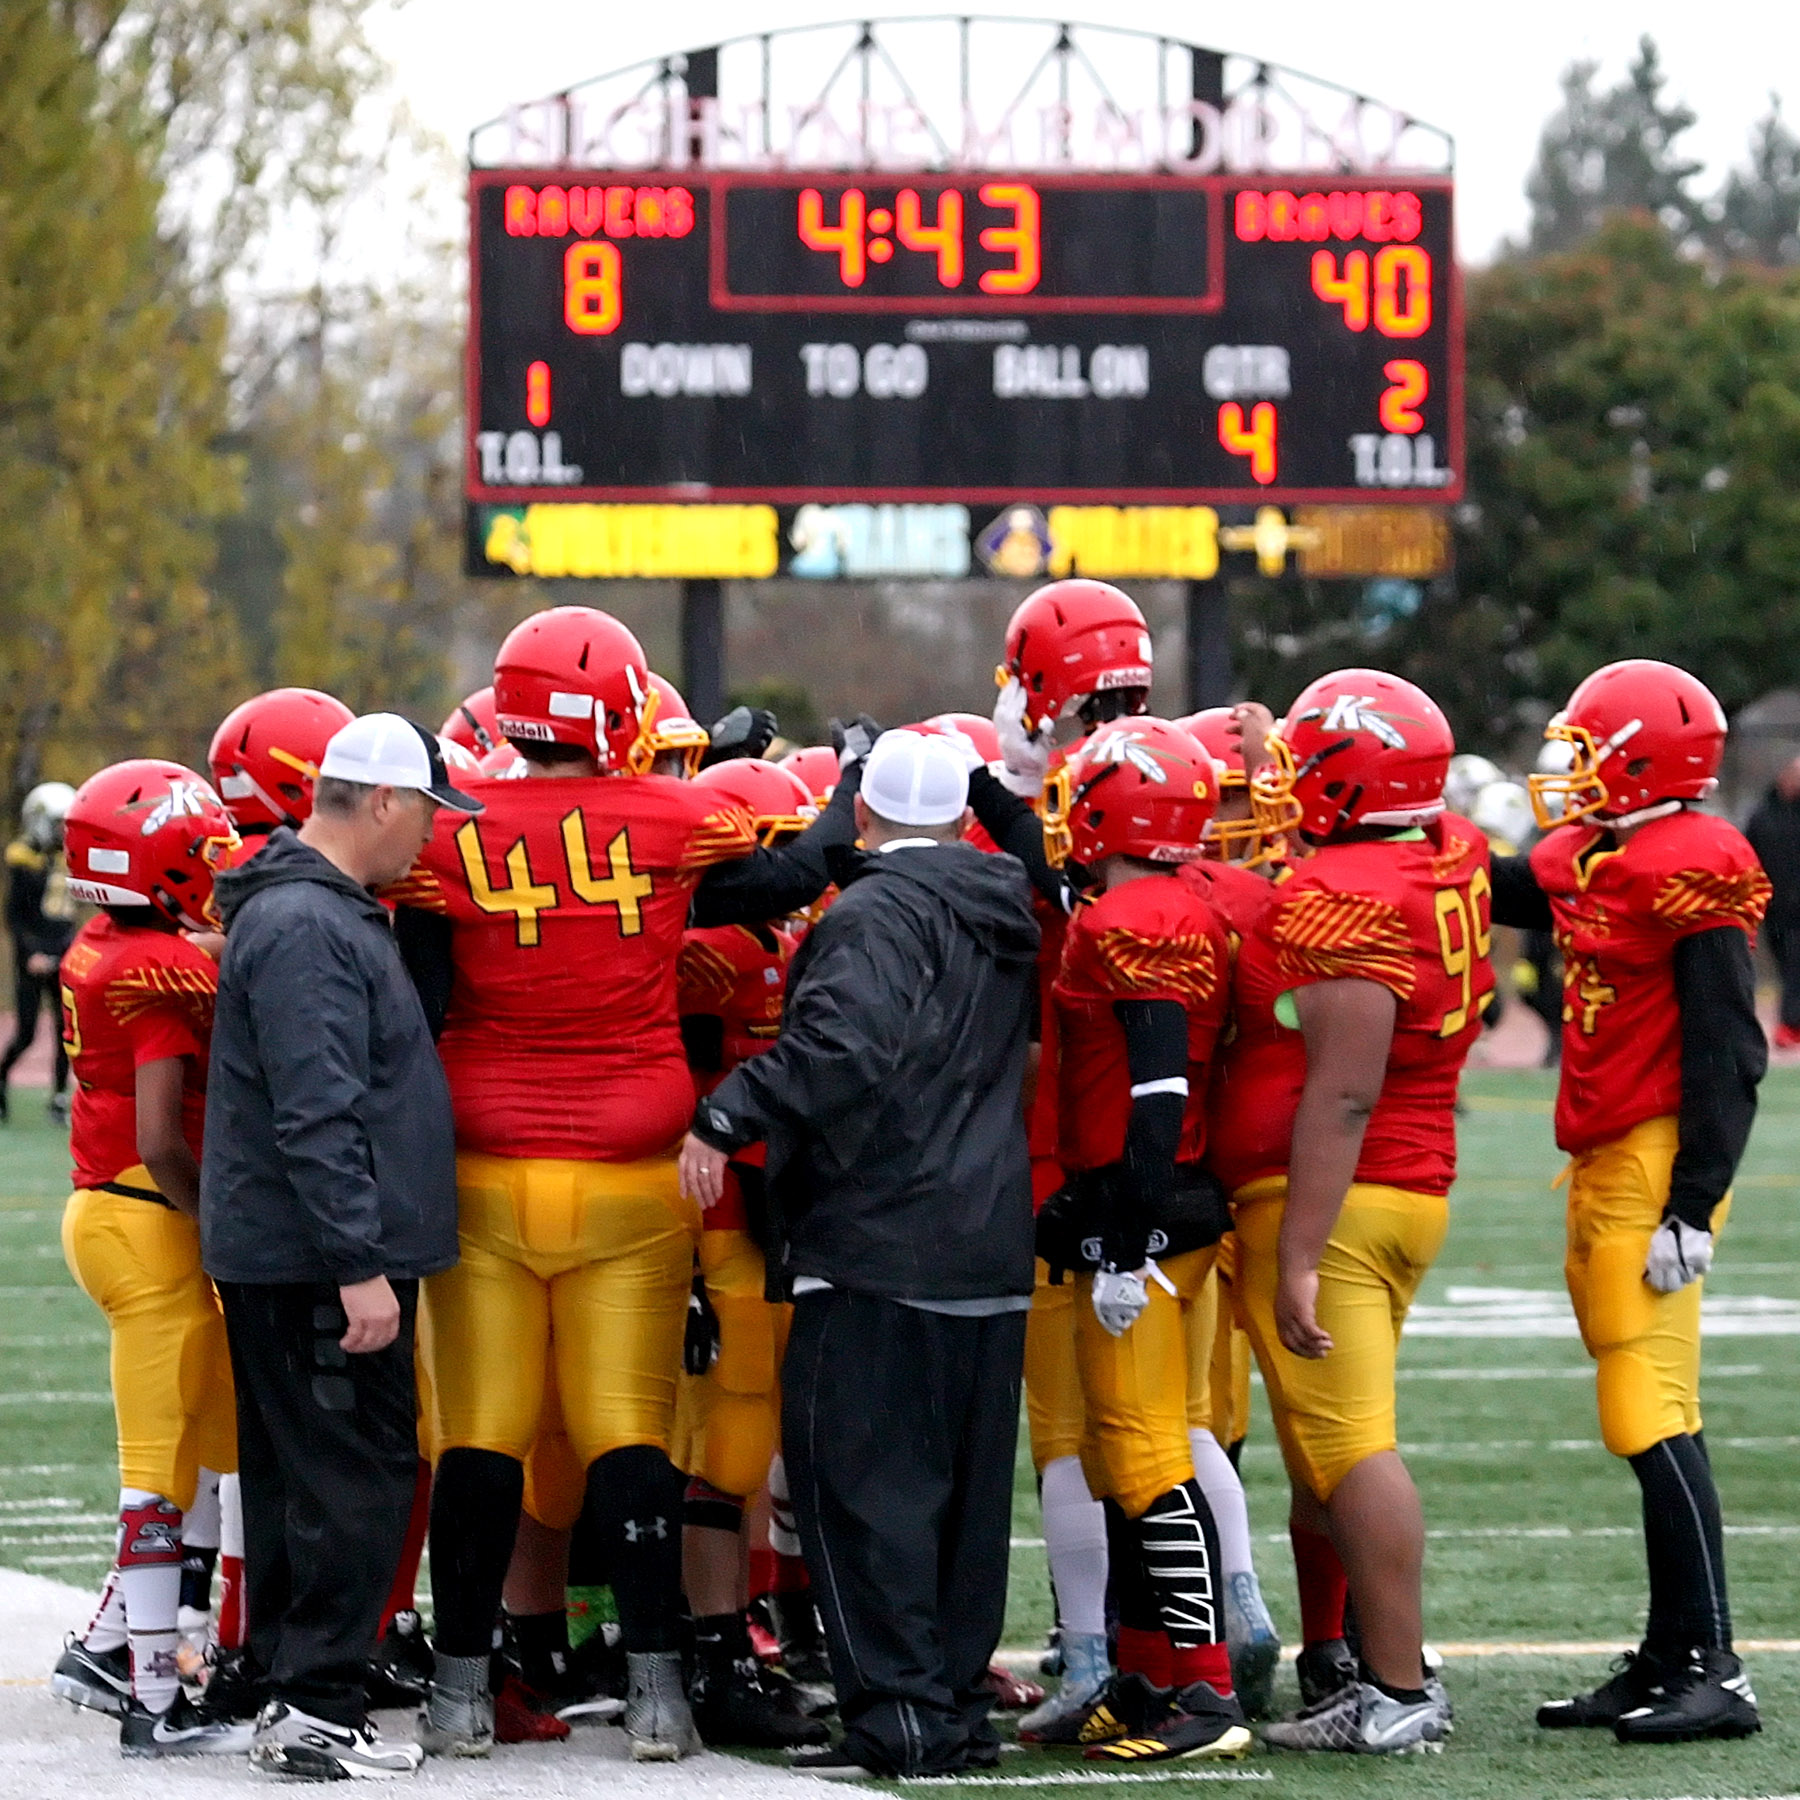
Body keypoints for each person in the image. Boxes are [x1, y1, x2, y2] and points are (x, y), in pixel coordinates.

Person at [390, 607, 857, 1762]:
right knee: (629, 1435)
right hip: (632, 1172)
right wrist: (854, 776)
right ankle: (657, 1695)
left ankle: (460, 1691)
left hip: (485, 1171)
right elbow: (799, 859)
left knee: (484, 1437)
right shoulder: (669, 812)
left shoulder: (446, 830)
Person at [679, 729, 1040, 1778]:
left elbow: (844, 1052)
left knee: (867, 1490)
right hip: (983, 1237)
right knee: (962, 1510)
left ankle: (906, 1709)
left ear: (866, 816)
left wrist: (729, 1110)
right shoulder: (1001, 902)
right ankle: (950, 1704)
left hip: (885, 1237)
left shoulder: (876, 912)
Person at [1214, 670, 1488, 1755]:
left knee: (1352, 1449)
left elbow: (1341, 1091)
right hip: (1409, 1183)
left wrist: (1300, 1256)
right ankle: (1364, 1665)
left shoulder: (1344, 900)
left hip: (1346, 1195)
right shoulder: (1447, 846)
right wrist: (1283, 744)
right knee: (1326, 1447)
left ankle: (1399, 1687)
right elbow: (1366, 795)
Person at [201, 713, 479, 1781]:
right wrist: (358, 1262)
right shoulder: (310, 927)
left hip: (294, 1249)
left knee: (296, 1479)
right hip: (318, 1257)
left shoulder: (307, 912)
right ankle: (314, 1702)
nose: (427, 840)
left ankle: (289, 1687)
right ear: (381, 803)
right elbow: (317, 1110)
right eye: (424, 816)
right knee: (351, 1480)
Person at [1501, 661, 1768, 1743]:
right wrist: (1408, 828)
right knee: (1646, 1409)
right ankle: (1669, 1654)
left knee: (1646, 1413)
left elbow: (1730, 1051)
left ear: (1643, 758)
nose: (1568, 768)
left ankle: (1715, 1667)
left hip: (1656, 1165)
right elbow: (1515, 883)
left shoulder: (1693, 864)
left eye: (1587, 747)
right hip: (1607, 1158)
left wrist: (1694, 1205)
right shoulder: (1608, 851)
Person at [1036, 718, 1251, 1765]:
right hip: (1140, 1202)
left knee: (1145, 1445)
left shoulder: (1139, 917)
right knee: (1127, 1447)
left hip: (1151, 1212)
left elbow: (1158, 1087)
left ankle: (1204, 1689)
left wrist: (1126, 1238)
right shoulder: (1160, 902)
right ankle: (1147, 1672)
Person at [48, 761, 249, 1758]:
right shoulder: (152, 973)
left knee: (212, 1438)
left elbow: (186, 947)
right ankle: (153, 1703)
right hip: (148, 1212)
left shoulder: (101, 942)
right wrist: (218, 1224)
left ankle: (114, 1644)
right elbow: (168, 1134)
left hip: (109, 1210)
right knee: (157, 1475)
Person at [1, 779, 78, 1123]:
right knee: (28, 1032)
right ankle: (1, 1081)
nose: (64, 830)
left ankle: (60, 1096)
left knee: (66, 1031)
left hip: (62, 951)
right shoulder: (23, 857)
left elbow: (69, 914)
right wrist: (29, 952)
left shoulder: (69, 856)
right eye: (59, 822)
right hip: (32, 955)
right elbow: (15, 915)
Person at [1744, 754, 1800, 1049]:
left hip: (1796, 908)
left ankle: (1790, 1024)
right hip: (1775, 907)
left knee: (1795, 966)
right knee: (1786, 964)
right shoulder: (1764, 815)